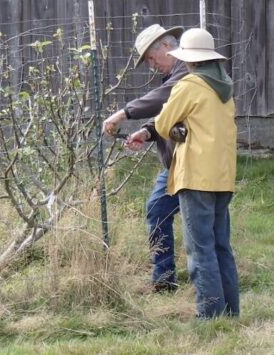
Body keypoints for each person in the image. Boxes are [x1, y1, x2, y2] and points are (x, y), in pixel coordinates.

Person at [154, 28, 239, 318]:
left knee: (199, 249)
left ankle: (209, 316)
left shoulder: (189, 85)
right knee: (221, 247)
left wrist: (178, 129)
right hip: (222, 176)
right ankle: (230, 313)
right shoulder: (225, 88)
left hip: (196, 176)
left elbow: (163, 123)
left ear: (189, 60)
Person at [103, 24, 187, 292]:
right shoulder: (175, 72)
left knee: (201, 228)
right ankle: (164, 282)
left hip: (192, 162)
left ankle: (207, 293)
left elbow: (166, 96)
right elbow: (169, 114)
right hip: (176, 163)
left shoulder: (187, 69)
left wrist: (123, 114)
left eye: (151, 58)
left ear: (166, 46)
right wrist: (147, 132)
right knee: (157, 211)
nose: (152, 66)